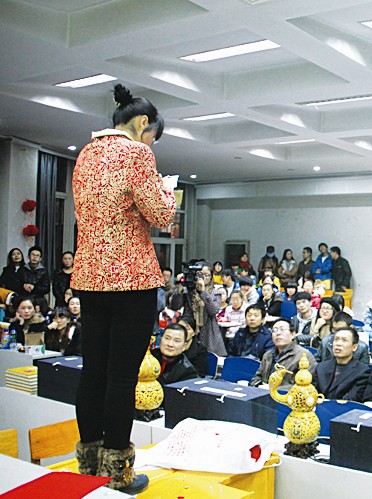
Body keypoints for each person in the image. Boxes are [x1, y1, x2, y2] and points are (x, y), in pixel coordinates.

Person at [71, 83, 175, 493]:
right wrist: (166, 189)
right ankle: (117, 471)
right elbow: (160, 214)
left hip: (90, 276)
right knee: (121, 377)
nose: (152, 142)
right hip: (131, 278)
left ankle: (90, 466)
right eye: (153, 135)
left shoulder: (86, 153)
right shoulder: (137, 152)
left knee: (92, 372)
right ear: (143, 123)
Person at [251, 318, 317, 390]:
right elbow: (257, 377)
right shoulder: (268, 355)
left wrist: (273, 389)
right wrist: (258, 385)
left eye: (282, 330)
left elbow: (305, 386)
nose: (278, 333)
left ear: (293, 334)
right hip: (263, 395)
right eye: (274, 330)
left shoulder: (304, 356)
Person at [313, 327, 370, 401]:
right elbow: (312, 393)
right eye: (336, 339)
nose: (338, 344)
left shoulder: (362, 372)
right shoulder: (321, 367)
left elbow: (351, 400)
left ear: (354, 347)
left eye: (344, 340)